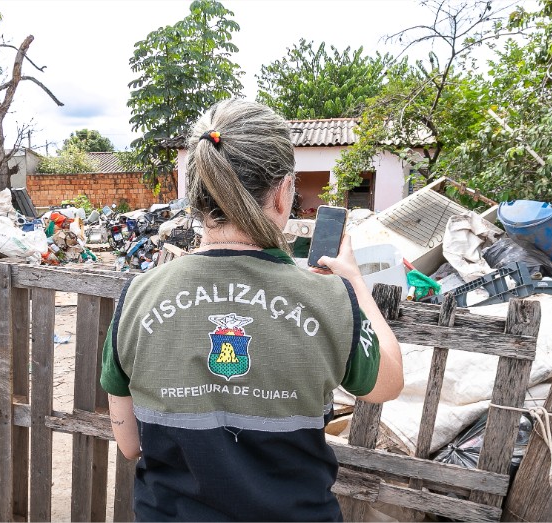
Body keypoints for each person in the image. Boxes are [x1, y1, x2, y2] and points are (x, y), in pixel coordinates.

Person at [100, 98, 403, 521]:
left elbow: (130, 444)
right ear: (282, 193)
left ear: (197, 196)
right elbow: (388, 384)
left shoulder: (137, 296)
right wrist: (354, 284)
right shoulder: (330, 299)